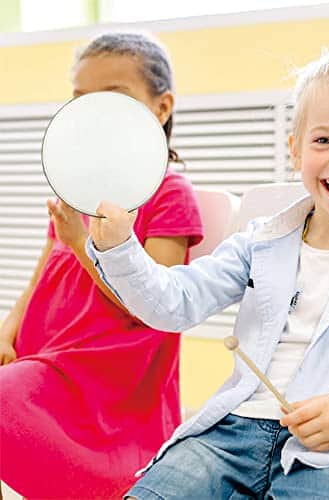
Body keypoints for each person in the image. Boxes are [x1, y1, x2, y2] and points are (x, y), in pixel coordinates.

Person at [86, 27, 329, 500]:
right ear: (295, 149)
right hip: (231, 434)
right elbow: (173, 304)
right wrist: (119, 248)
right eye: (324, 140)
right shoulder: (260, 242)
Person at [0, 33, 203, 499]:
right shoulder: (75, 187)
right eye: (81, 101)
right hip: (42, 358)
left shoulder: (170, 195)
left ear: (161, 107)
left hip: (104, 386)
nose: (94, 116)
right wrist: (8, 327)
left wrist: (80, 242)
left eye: (113, 98)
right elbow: (43, 268)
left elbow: (151, 304)